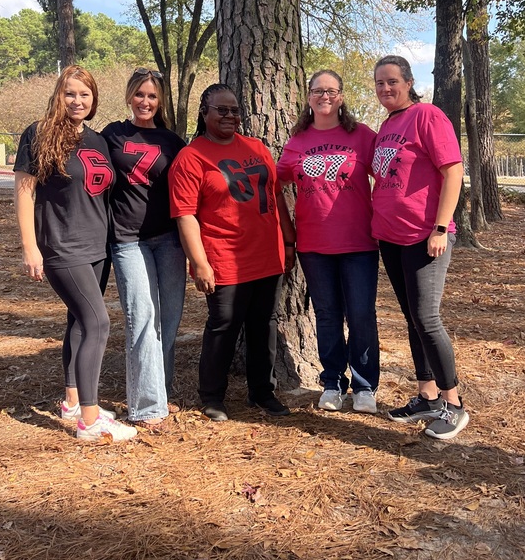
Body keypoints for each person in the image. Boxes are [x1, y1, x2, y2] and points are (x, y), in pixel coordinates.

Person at [14, 65, 137, 444]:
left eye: (85, 94)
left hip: (96, 246)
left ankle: (71, 401)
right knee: (98, 323)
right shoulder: (38, 133)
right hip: (61, 246)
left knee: (80, 322)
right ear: (58, 95)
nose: (77, 101)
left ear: (94, 99)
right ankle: (90, 420)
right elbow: (23, 192)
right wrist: (30, 247)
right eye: (70, 93)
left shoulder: (98, 140)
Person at [168, 83, 295, 422]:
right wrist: (199, 263)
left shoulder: (256, 147)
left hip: (268, 254)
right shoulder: (191, 157)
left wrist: (289, 239)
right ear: (204, 113)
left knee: (263, 326)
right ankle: (212, 396)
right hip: (224, 257)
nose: (229, 116)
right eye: (221, 110)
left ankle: (262, 392)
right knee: (224, 326)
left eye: (235, 110)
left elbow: (277, 195)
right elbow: (185, 215)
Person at [371, 55, 468, 440]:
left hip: (424, 235)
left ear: (409, 82)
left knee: (427, 318)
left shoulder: (427, 115)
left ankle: (454, 403)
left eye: (392, 81)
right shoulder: (387, 124)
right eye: (379, 83)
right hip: (390, 237)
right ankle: (426, 395)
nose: (385, 89)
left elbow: (453, 170)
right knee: (413, 317)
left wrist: (441, 227)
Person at [277, 70, 380, 413]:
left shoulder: (363, 136)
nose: (325, 96)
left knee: (362, 314)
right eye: (318, 91)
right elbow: (273, 185)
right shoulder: (296, 142)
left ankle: (365, 386)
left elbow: (393, 174)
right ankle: (333, 381)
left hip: (359, 242)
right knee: (327, 315)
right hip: (314, 244)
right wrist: (288, 235)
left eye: (332, 90)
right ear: (308, 97)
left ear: (341, 96)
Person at [101, 68, 187, 428]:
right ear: (128, 96)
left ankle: (159, 391)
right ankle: (147, 407)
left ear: (160, 100)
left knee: (168, 319)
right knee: (142, 318)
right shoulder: (111, 135)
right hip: (127, 239)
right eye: (140, 94)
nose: (145, 102)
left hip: (169, 240)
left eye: (152, 96)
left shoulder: (173, 141)